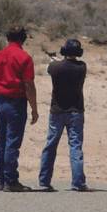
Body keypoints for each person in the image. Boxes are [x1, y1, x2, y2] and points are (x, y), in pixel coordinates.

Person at [0, 27, 38, 192]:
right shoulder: (24, 57)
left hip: (0, 100)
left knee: (2, 141)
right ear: (23, 39)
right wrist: (34, 108)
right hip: (16, 102)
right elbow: (29, 85)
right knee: (12, 142)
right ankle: (10, 180)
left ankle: (1, 178)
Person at [38, 38, 88, 192]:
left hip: (57, 111)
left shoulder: (55, 67)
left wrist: (54, 59)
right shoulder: (82, 67)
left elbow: (52, 68)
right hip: (76, 112)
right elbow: (67, 65)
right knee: (75, 146)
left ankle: (44, 181)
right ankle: (78, 182)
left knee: (51, 145)